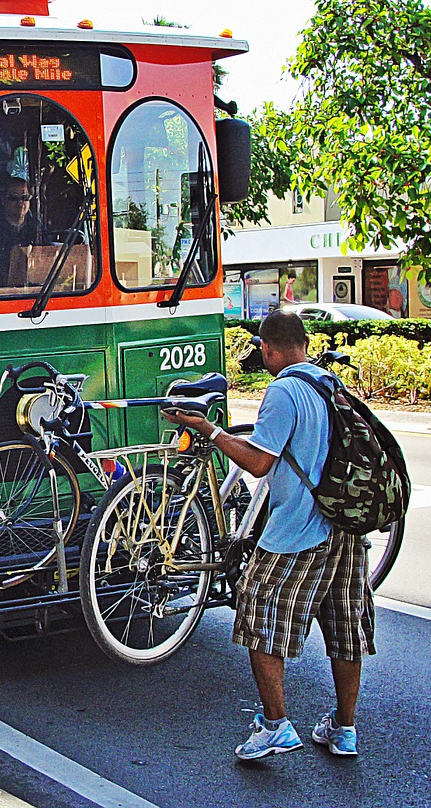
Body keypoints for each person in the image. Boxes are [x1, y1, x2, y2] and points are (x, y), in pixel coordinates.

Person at [163, 310, 374, 761]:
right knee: (344, 628)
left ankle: (276, 725)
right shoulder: (328, 383)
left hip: (297, 531)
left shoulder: (283, 392)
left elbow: (259, 461)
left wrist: (211, 431)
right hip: (345, 529)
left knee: (258, 617)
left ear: (268, 348)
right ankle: (344, 729)